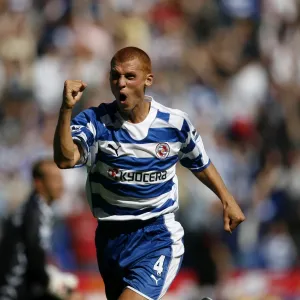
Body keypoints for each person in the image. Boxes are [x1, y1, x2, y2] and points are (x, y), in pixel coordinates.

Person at [53, 46, 245, 300]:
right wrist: (66, 110)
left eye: (130, 77)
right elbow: (66, 159)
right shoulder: (95, 122)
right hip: (111, 239)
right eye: (115, 76)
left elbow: (200, 163)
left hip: (156, 235)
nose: (121, 84)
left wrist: (227, 199)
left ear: (148, 80)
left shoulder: (174, 123)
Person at [0, 159, 79, 300]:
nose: (61, 185)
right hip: (15, 291)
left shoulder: (37, 209)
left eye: (60, 178)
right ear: (39, 183)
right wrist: (55, 284)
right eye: (54, 179)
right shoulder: (34, 214)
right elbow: (34, 260)